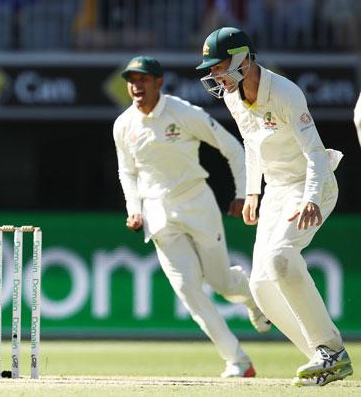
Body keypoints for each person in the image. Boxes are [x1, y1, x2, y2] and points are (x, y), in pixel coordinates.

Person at [196, 26, 353, 386]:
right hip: (277, 191)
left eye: (220, 66)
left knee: (282, 258)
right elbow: (252, 143)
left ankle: (332, 349)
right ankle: (325, 359)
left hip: (313, 184)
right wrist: (253, 192)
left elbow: (314, 152)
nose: (216, 75)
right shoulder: (232, 97)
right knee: (263, 286)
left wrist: (312, 196)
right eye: (213, 69)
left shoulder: (284, 92)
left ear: (243, 58)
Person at [113, 55, 271, 379]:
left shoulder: (183, 112)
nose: (136, 86)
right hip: (157, 213)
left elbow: (233, 148)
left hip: (196, 203)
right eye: (132, 80)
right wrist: (133, 209)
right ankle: (238, 361)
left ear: (159, 82)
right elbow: (126, 172)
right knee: (189, 291)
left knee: (222, 283)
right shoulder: (123, 125)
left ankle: (254, 300)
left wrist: (243, 193)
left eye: (143, 79)